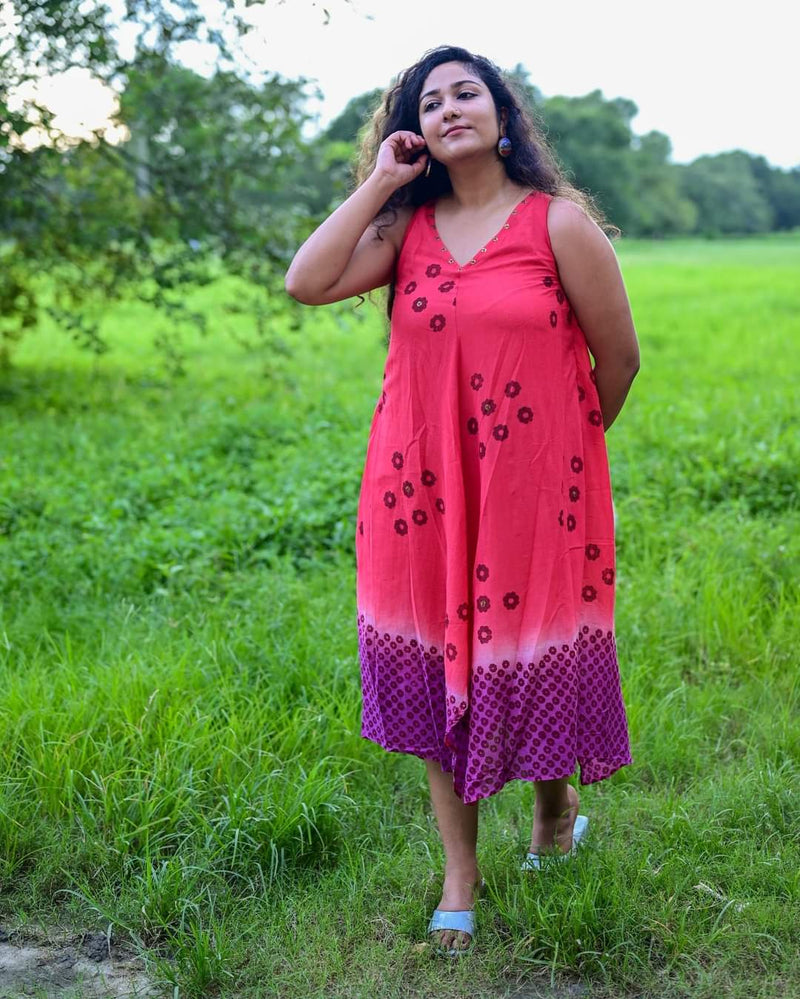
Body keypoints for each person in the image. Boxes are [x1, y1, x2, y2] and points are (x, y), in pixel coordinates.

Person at [285, 45, 640, 957]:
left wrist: (555, 459)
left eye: (465, 93)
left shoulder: (559, 225)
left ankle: (554, 815)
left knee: (529, 658)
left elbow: (620, 360)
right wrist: (379, 182)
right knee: (446, 663)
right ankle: (461, 875)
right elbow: (308, 280)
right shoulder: (406, 228)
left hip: (536, 494)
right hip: (418, 491)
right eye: (428, 101)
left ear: (502, 113)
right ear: (416, 130)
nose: (449, 108)